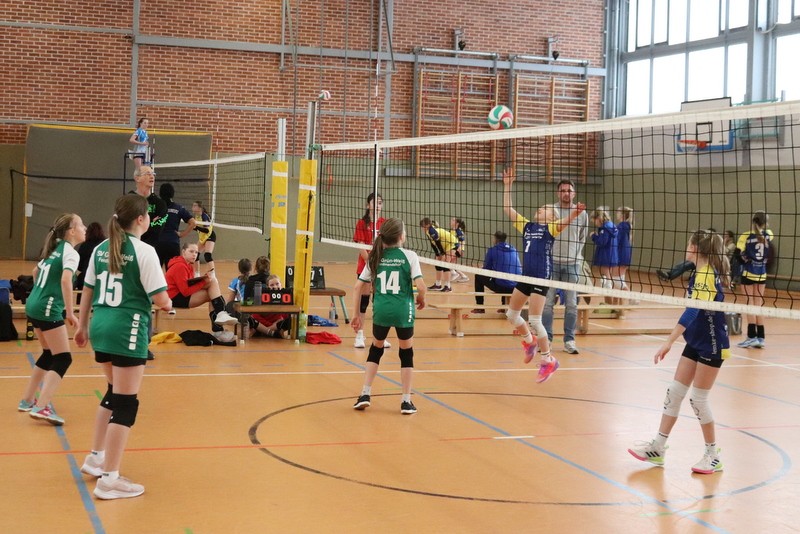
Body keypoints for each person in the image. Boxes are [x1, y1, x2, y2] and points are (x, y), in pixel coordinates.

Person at [74, 194, 172, 500]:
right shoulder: (144, 251)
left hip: (101, 325)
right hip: (126, 328)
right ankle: (110, 479)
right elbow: (161, 299)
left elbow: (87, 289)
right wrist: (169, 304)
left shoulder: (101, 248)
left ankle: (96, 457)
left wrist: (82, 325)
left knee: (113, 393)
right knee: (127, 403)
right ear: (141, 219)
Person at [628, 229, 731, 474]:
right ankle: (658, 448)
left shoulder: (705, 275)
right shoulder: (699, 270)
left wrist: (668, 342)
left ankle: (712, 455)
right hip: (696, 339)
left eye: (688, 245)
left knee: (698, 399)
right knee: (674, 393)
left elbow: (692, 311)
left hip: (712, 343)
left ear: (694, 248)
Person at [502, 168, 585, 383]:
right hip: (526, 276)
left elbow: (567, 221)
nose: (540, 209)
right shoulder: (527, 226)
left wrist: (575, 213)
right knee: (511, 315)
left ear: (552, 217)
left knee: (535, 319)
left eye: (545, 209)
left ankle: (548, 360)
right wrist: (508, 186)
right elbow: (507, 209)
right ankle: (529, 341)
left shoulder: (551, 228)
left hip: (540, 277)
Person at [351, 218, 427, 414]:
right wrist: (422, 299)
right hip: (403, 310)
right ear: (401, 236)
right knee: (406, 353)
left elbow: (358, 287)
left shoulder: (375, 256)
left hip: (381, 310)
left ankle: (365, 394)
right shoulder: (410, 256)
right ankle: (406, 401)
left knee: (375, 349)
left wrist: (355, 315)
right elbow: (421, 286)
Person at [18, 213, 87, 425]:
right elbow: (66, 280)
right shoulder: (70, 252)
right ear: (71, 231)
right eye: (81, 225)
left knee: (49, 354)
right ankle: (41, 406)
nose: (85, 228)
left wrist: (42, 291)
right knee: (63, 358)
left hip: (34, 304)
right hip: (47, 308)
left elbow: (35, 271)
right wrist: (70, 312)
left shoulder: (55, 247)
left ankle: (27, 400)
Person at [542, 179, 589, 355]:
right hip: (552, 264)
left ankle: (569, 340)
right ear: (558, 193)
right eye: (563, 190)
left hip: (572, 265)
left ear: (574, 193)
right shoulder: (551, 211)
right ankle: (547, 340)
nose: (566, 193)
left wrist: (576, 255)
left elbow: (583, 237)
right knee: (547, 304)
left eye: (569, 190)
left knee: (571, 304)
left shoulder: (582, 214)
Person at [165, 242, 237, 331]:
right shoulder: (180, 266)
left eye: (196, 252)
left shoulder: (188, 265)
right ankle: (221, 316)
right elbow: (185, 291)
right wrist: (203, 282)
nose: (194, 255)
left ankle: (220, 320)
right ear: (183, 252)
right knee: (212, 287)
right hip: (174, 298)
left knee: (212, 288)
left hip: (180, 295)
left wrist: (204, 279)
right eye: (191, 251)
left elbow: (190, 284)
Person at [352, 193, 390, 349]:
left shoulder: (385, 223)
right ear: (368, 205)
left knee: (379, 302)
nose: (378, 205)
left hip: (381, 267)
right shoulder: (362, 223)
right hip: (366, 266)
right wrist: (371, 263)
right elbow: (361, 246)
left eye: (380, 203)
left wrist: (382, 264)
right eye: (375, 202)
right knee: (364, 302)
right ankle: (359, 335)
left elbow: (388, 245)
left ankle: (379, 336)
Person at [736, 211, 773, 348]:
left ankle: (751, 337)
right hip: (762, 274)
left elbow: (737, 254)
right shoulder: (769, 234)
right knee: (758, 304)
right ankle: (761, 338)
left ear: (753, 221)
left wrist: (746, 261)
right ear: (765, 222)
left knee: (749, 304)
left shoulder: (745, 236)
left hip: (748, 273)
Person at [471, 230, 521, 314]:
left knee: (478, 276)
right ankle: (503, 306)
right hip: (516, 287)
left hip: (502, 287)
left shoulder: (492, 250)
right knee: (504, 275)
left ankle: (480, 307)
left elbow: (486, 269)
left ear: (495, 239)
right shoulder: (514, 250)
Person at [156, 183, 196, 267]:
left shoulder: (156, 207)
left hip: (158, 243)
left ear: (160, 193)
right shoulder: (178, 208)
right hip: (172, 243)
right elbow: (193, 223)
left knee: (155, 271)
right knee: (173, 271)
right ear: (172, 193)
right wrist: (182, 234)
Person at [130, 165, 167, 250]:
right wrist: (150, 222)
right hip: (130, 246)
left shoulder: (160, 204)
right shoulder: (128, 200)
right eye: (148, 173)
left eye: (153, 174)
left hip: (150, 248)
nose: (152, 176)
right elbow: (126, 225)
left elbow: (157, 229)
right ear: (137, 178)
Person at [419, 217, 457, 293]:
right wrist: (437, 254)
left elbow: (438, 242)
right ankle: (438, 285)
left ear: (428, 225)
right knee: (438, 264)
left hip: (452, 243)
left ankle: (448, 286)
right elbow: (433, 244)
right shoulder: (428, 231)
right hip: (445, 245)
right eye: (422, 226)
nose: (422, 228)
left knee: (445, 264)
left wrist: (442, 253)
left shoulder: (432, 230)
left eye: (423, 226)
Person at [590, 208, 619, 295]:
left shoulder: (604, 228)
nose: (595, 223)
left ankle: (608, 285)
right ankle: (605, 282)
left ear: (598, 218)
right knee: (606, 270)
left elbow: (602, 242)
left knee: (605, 269)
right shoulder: (611, 226)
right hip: (612, 252)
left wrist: (594, 236)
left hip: (606, 253)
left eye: (594, 221)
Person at [75, 222, 106, 291]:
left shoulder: (84, 245)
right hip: (102, 278)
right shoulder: (105, 245)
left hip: (85, 278)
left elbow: (79, 266)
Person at [191, 201, 216, 272]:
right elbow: (198, 229)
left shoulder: (204, 216)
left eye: (195, 206)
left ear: (200, 208)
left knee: (207, 255)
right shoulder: (196, 216)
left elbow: (206, 230)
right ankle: (197, 273)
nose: (192, 207)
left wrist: (196, 227)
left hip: (210, 235)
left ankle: (213, 274)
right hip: (202, 237)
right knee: (196, 255)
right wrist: (193, 227)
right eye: (193, 205)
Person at [614, 207, 633, 292]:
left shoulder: (622, 226)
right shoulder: (626, 225)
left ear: (623, 215)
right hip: (625, 254)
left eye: (618, 212)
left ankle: (631, 297)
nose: (616, 214)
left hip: (621, 255)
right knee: (620, 281)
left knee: (616, 281)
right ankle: (618, 301)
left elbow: (616, 240)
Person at [449, 216, 469, 282]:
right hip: (453, 248)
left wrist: (460, 249)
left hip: (458, 249)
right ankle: (462, 276)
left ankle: (456, 274)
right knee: (450, 263)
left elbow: (462, 241)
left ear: (457, 223)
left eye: (453, 220)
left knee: (449, 262)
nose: (451, 221)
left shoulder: (458, 231)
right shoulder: (451, 230)